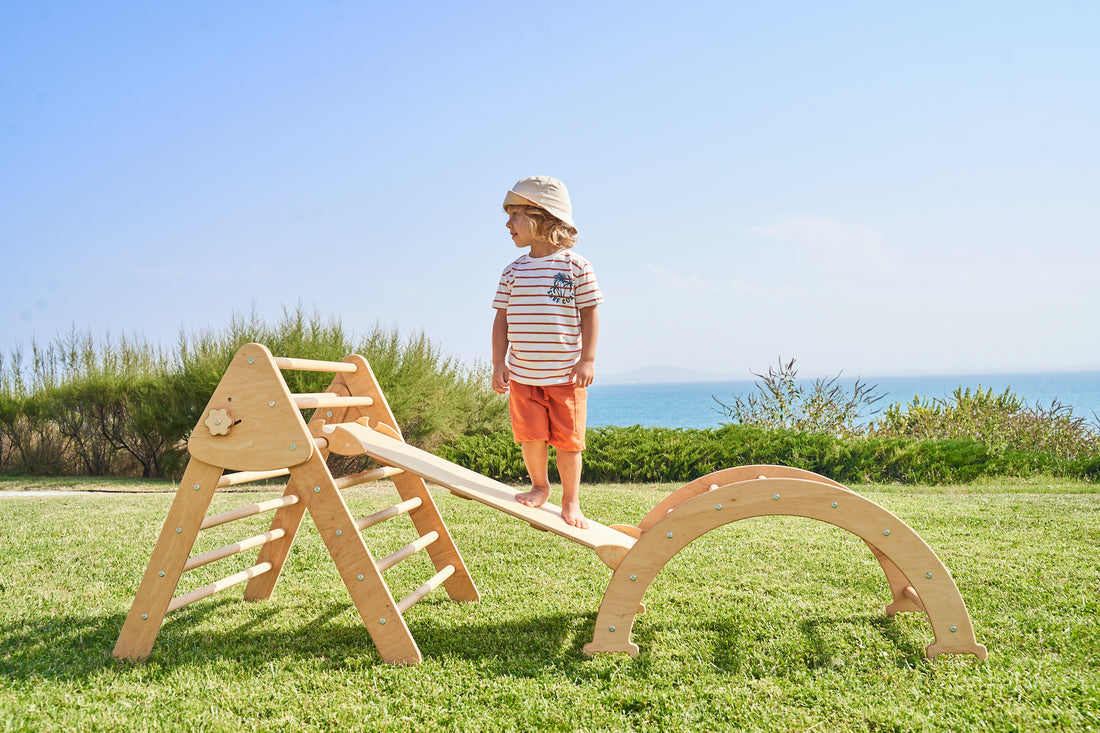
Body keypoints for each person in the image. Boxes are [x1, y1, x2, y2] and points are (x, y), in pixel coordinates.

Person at [491, 176, 602, 529]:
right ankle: (540, 486)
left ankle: (571, 502)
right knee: (530, 437)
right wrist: (498, 363)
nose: (508, 224)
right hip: (523, 376)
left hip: (565, 376)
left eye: (516, 215)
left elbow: (590, 313)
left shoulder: (575, 267)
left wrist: (587, 359)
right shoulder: (513, 271)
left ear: (542, 218)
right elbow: (501, 320)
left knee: (569, 443)